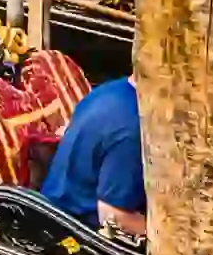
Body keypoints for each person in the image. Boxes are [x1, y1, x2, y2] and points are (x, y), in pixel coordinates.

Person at [40, 75, 146, 236]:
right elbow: (113, 216)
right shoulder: (135, 129)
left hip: (55, 205)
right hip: (77, 232)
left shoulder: (107, 91)